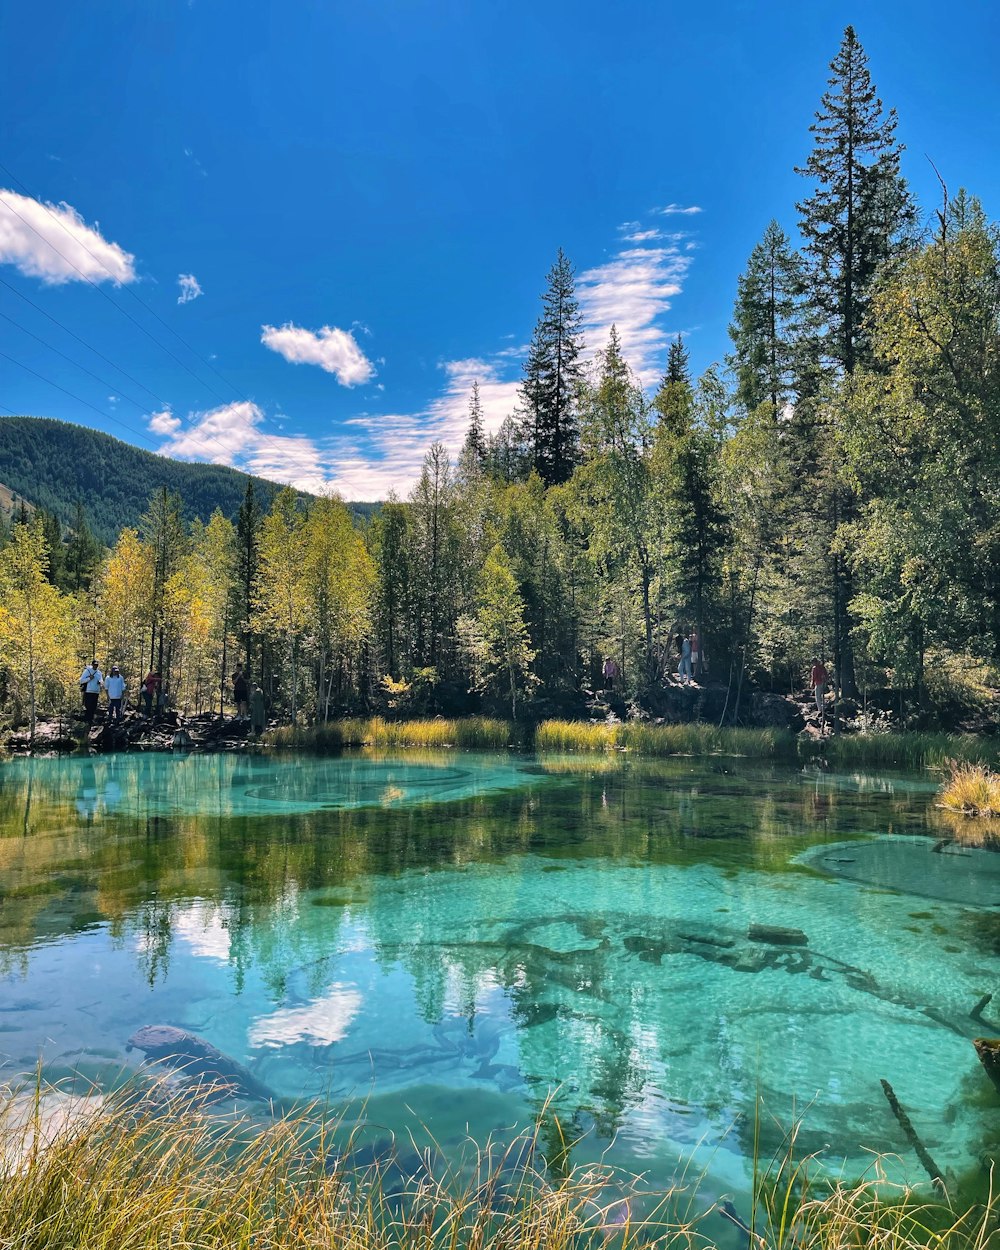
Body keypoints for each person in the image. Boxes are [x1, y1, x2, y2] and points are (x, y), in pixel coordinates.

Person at [79, 660, 104, 726]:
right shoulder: (87, 671)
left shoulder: (99, 672)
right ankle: (87, 721)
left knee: (93, 707)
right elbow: (81, 681)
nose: (95, 666)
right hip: (88, 691)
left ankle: (90, 721)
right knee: (88, 706)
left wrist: (100, 682)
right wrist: (89, 678)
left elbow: (102, 681)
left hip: (96, 692)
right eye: (94, 665)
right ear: (92, 665)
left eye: (97, 665)